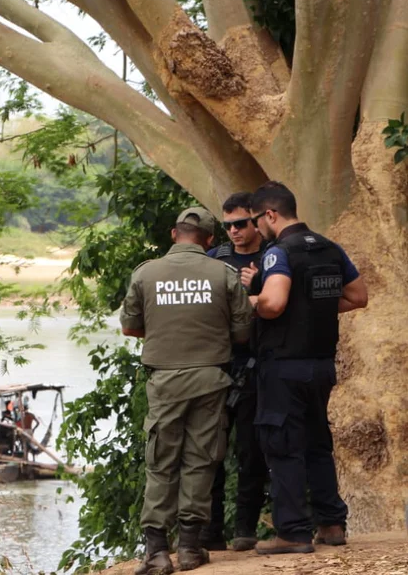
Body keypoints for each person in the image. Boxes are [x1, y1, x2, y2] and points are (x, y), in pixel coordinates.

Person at [120, 207, 254, 574]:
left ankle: (158, 552)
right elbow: (243, 332)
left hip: (165, 381)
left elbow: (130, 328)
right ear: (210, 240)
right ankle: (192, 548)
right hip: (211, 379)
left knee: (161, 462)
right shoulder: (223, 273)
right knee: (201, 459)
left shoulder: (147, 273)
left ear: (173, 234)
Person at [246, 182, 368, 554]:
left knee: (283, 446)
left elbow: (275, 303)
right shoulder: (330, 248)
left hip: (285, 366)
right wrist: (311, 308)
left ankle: (293, 532)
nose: (254, 229)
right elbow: (358, 297)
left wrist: (251, 299)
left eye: (255, 220)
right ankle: (331, 524)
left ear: (270, 215)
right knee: (317, 443)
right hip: (321, 366)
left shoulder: (278, 252)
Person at [201, 193, 270, 552]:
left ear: (257, 221)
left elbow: (281, 306)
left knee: (251, 452)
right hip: (219, 364)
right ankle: (211, 531)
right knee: (211, 451)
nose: (234, 232)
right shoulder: (215, 260)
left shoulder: (273, 257)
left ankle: (245, 529)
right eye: (227, 226)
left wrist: (255, 288)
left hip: (259, 365)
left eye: (240, 224)